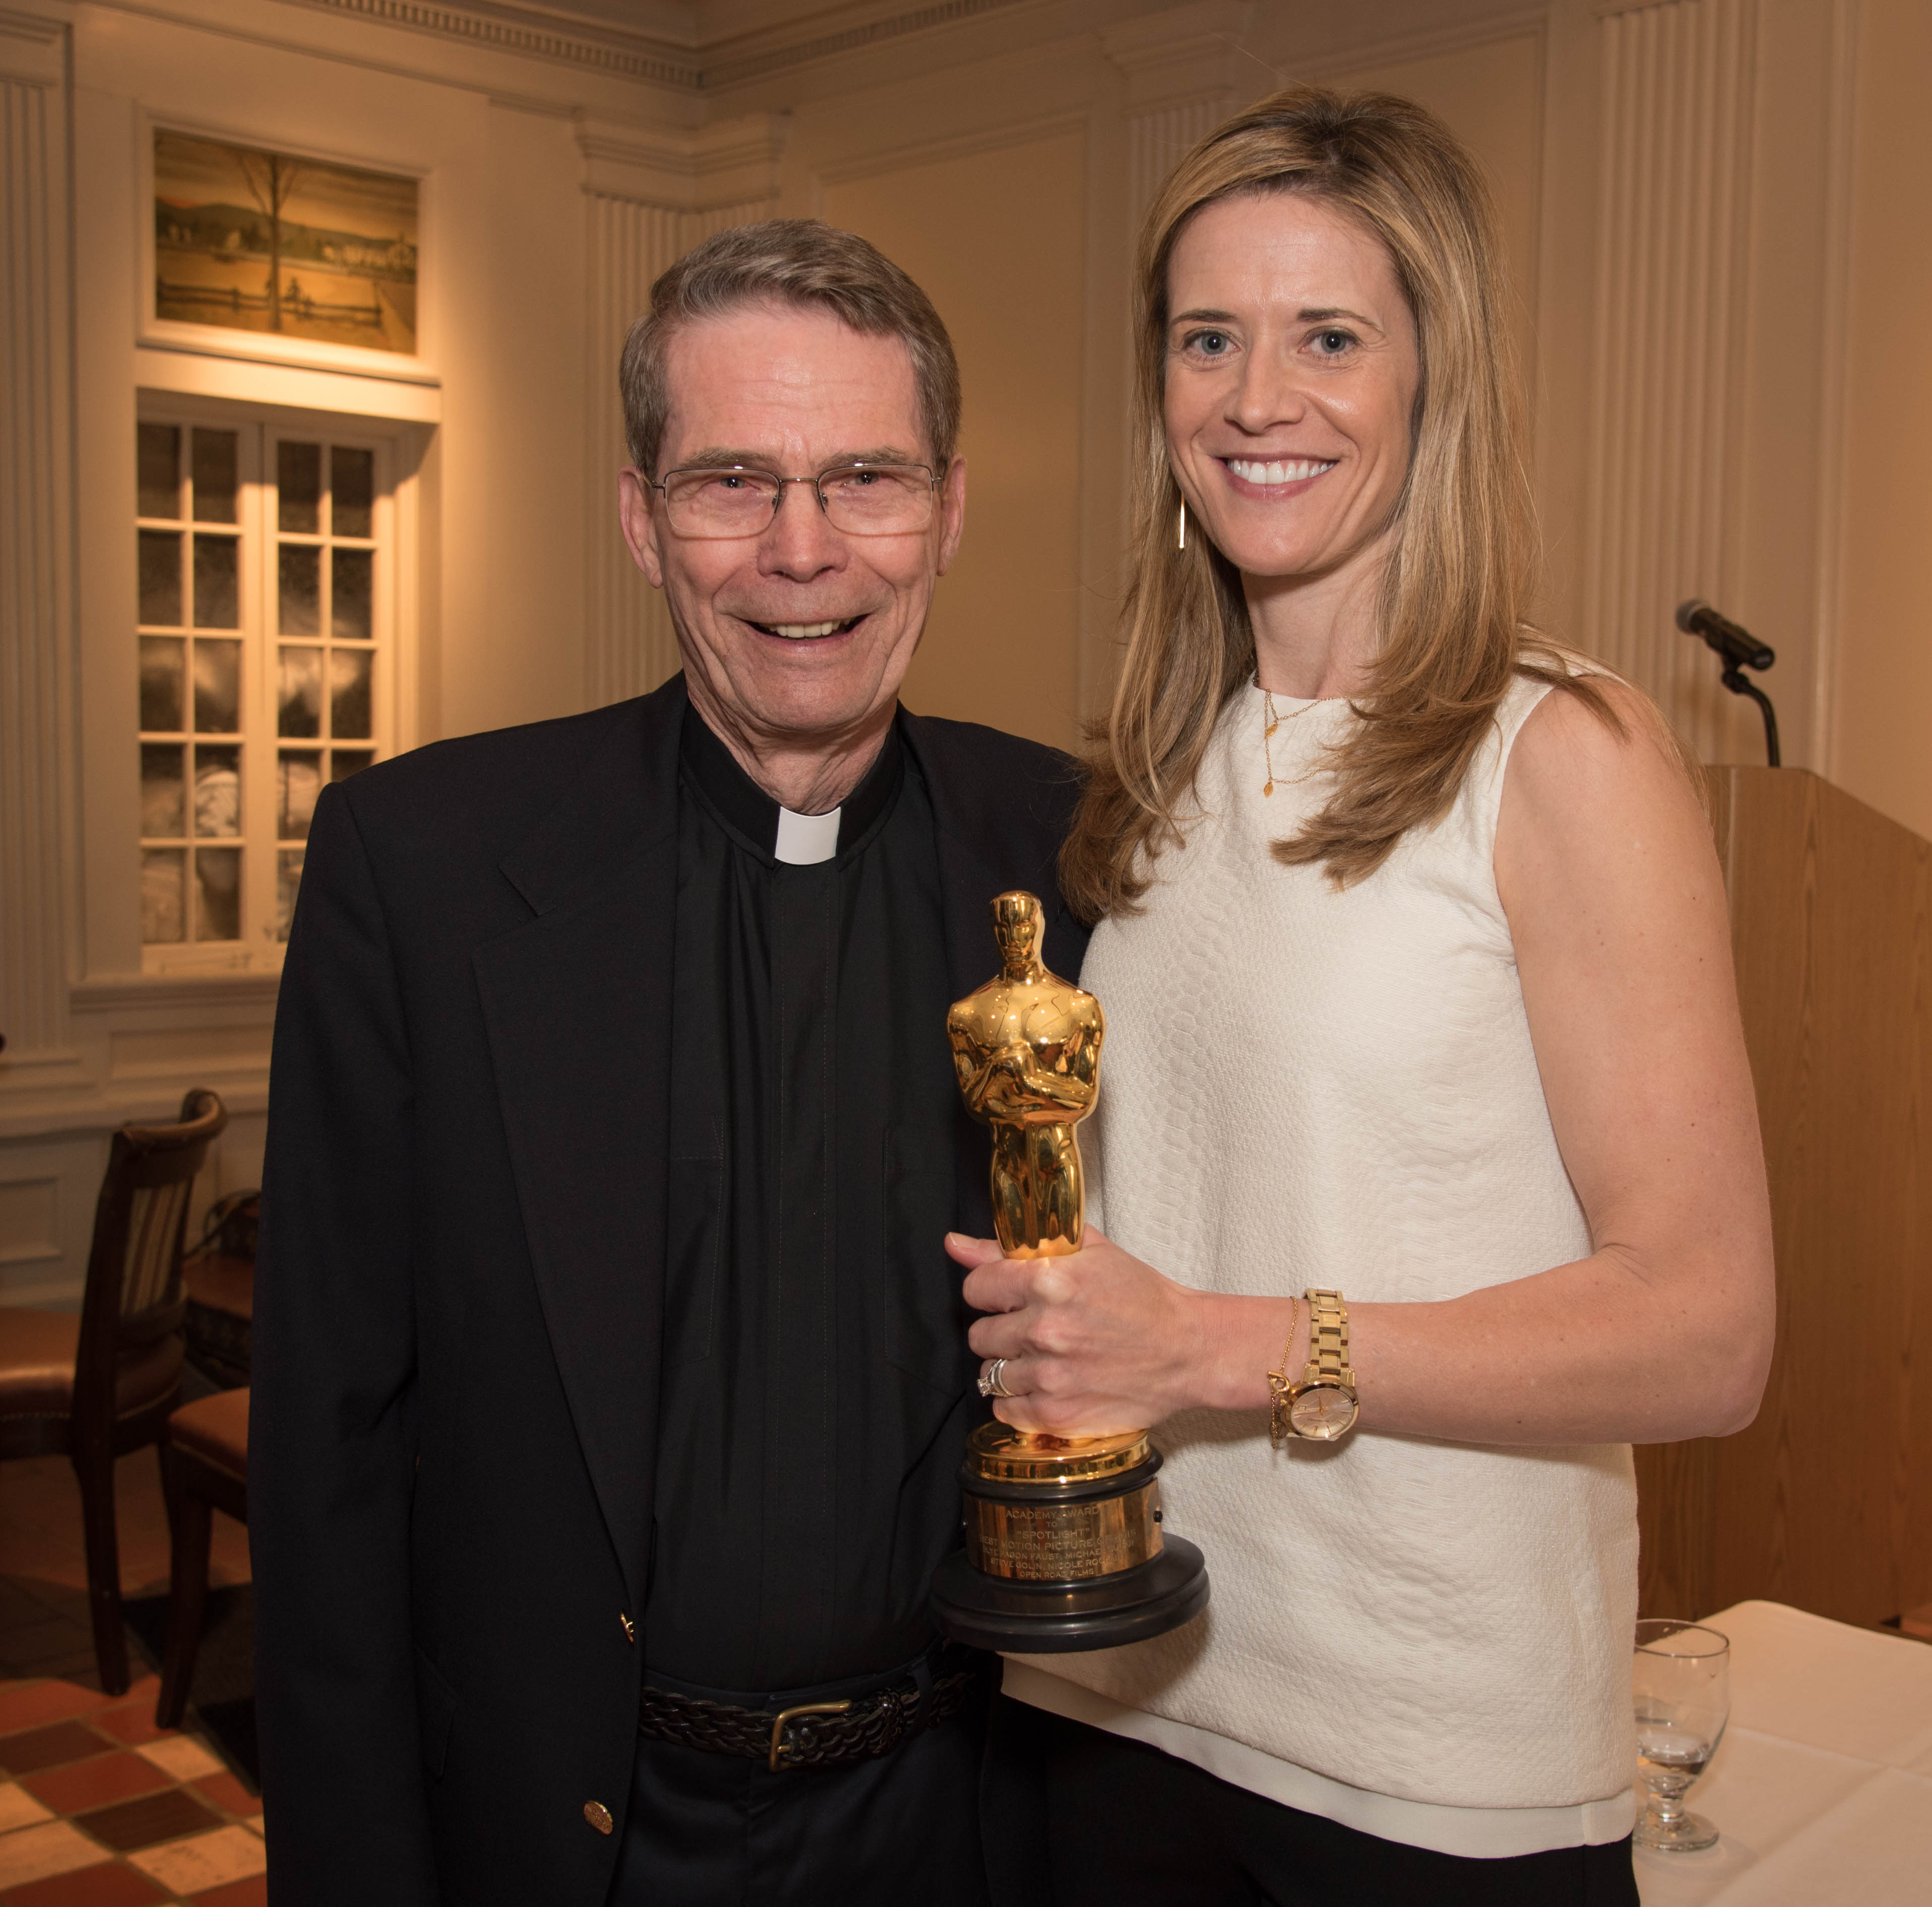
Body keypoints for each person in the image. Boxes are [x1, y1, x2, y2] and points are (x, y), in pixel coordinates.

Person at [951, 88, 1776, 1906]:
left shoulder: (1559, 754)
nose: (1260, 398)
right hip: (1110, 1698)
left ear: (1433, 376)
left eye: (1329, 337)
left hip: (1423, 1766)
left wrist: (1215, 1344)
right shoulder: (1161, 770)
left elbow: (1708, 1332)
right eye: (1209, 340)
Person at [250, 219, 1089, 1906]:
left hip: (975, 1821)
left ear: (947, 511)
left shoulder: (1085, 856)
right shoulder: (421, 867)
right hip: (574, 1834)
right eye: (732, 483)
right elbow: (327, 1456)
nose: (803, 550)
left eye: (865, 479)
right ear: (642, 519)